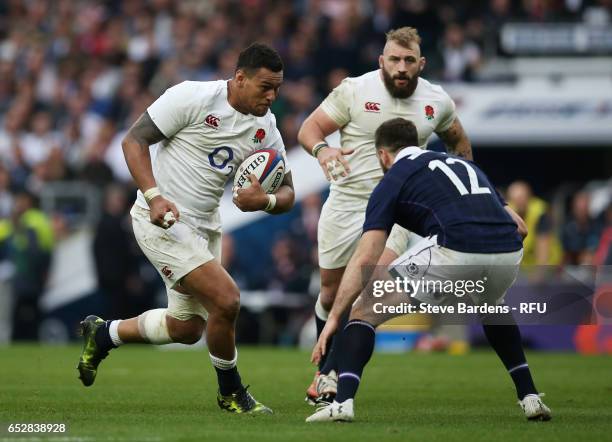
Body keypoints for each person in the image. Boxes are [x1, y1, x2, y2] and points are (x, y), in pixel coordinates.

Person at [76, 43, 295, 415]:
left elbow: (288, 190)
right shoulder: (192, 97)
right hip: (161, 219)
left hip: (206, 227)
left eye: (277, 88)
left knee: (187, 328)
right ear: (239, 78)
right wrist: (154, 196)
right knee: (227, 300)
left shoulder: (266, 127)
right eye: (265, 87)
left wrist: (266, 201)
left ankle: (105, 334)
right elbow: (134, 140)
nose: (272, 96)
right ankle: (231, 394)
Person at [306, 118, 551, 423]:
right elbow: (522, 228)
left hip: (456, 246)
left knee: (363, 311)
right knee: (492, 307)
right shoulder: (464, 166)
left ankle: (341, 405)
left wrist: (332, 318)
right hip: (508, 250)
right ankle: (529, 397)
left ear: (383, 155)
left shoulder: (393, 179)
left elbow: (366, 255)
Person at [297, 26, 473, 404]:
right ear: (382, 61)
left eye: (409, 60)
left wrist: (461, 185)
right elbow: (309, 128)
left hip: (397, 209)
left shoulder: (436, 101)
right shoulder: (354, 90)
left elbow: (459, 141)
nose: (401, 66)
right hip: (346, 202)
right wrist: (323, 151)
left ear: (421, 63)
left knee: (366, 290)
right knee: (330, 292)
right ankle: (326, 367)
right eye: (394, 59)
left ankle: (333, 379)